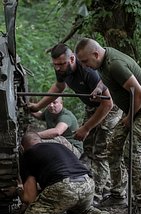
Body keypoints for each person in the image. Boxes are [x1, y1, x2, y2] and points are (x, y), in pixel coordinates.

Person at [75, 38, 141, 214]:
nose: (84, 66)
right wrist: (99, 88)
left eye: (85, 62)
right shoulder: (102, 61)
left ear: (95, 54)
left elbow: (139, 93)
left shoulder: (114, 63)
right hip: (136, 110)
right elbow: (107, 79)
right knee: (113, 147)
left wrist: (129, 117)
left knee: (131, 154)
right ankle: (118, 195)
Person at [28, 43, 122, 200]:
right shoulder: (62, 69)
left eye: (61, 64)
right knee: (89, 148)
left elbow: (108, 103)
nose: (58, 68)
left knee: (101, 151)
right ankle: (102, 186)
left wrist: (86, 128)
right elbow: (59, 87)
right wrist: (37, 106)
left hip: (110, 108)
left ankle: (99, 194)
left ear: (72, 59)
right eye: (55, 64)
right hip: (92, 107)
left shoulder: (88, 71)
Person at [16, 132, 116, 214]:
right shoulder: (59, 146)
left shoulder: (27, 155)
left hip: (64, 186)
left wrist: (18, 190)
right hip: (87, 183)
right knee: (79, 209)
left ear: (22, 147)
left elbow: (30, 198)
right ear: (41, 140)